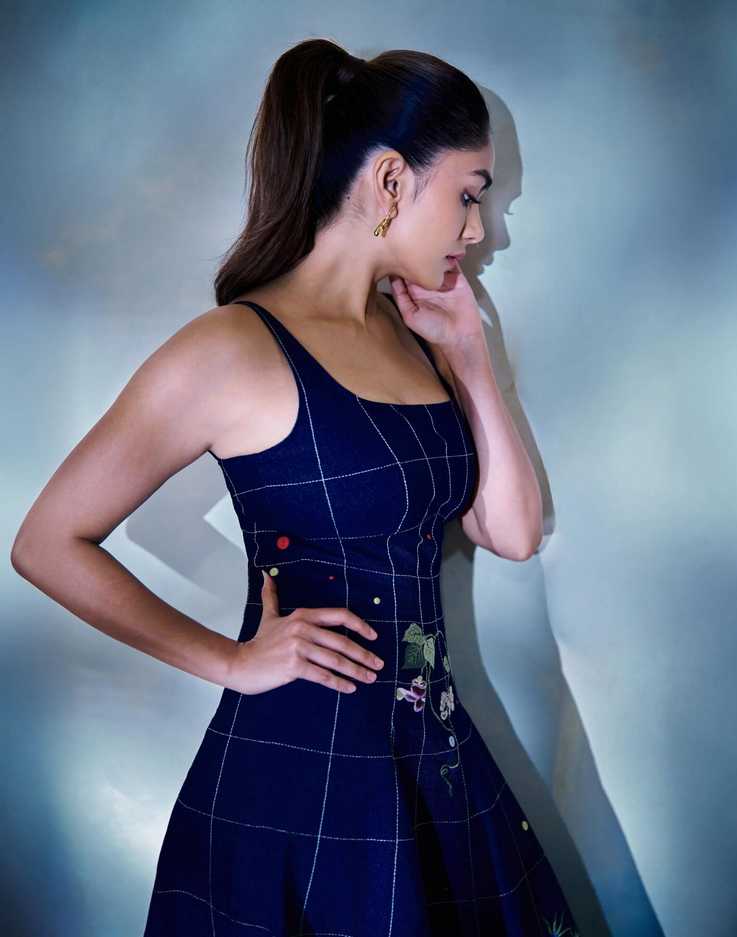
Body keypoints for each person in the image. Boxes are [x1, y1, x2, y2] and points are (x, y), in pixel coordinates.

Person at [11, 37, 579, 937]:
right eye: (470, 194)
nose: (481, 231)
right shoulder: (231, 349)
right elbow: (45, 542)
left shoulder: (419, 332)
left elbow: (510, 531)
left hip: (435, 761)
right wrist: (231, 659)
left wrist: (472, 355)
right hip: (300, 773)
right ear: (390, 179)